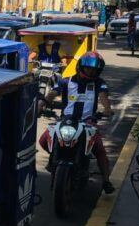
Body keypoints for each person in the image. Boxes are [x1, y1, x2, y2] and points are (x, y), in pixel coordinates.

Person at [39, 51, 114, 193]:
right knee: (44, 140)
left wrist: (107, 109)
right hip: (65, 121)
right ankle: (53, 160)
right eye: (88, 68)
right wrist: (40, 106)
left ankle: (106, 180)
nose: (91, 71)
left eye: (94, 70)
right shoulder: (65, 81)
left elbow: (104, 97)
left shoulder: (99, 83)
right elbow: (51, 94)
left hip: (88, 123)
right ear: (80, 67)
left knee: (99, 150)